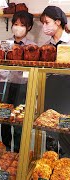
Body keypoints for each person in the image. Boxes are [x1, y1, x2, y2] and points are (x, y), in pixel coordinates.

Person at [0, 11, 35, 152]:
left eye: (22, 25)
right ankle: (5, 152)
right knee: (4, 120)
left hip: (22, 87)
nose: (18, 27)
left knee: (19, 121)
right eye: (15, 24)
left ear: (29, 27)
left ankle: (18, 154)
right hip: (3, 86)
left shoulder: (32, 46)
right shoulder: (5, 44)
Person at [40, 6, 70, 157]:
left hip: (67, 93)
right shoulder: (46, 46)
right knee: (50, 131)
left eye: (47, 22)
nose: (44, 26)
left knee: (66, 132)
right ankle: (48, 165)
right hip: (50, 93)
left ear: (58, 22)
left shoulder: (69, 42)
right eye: (43, 23)